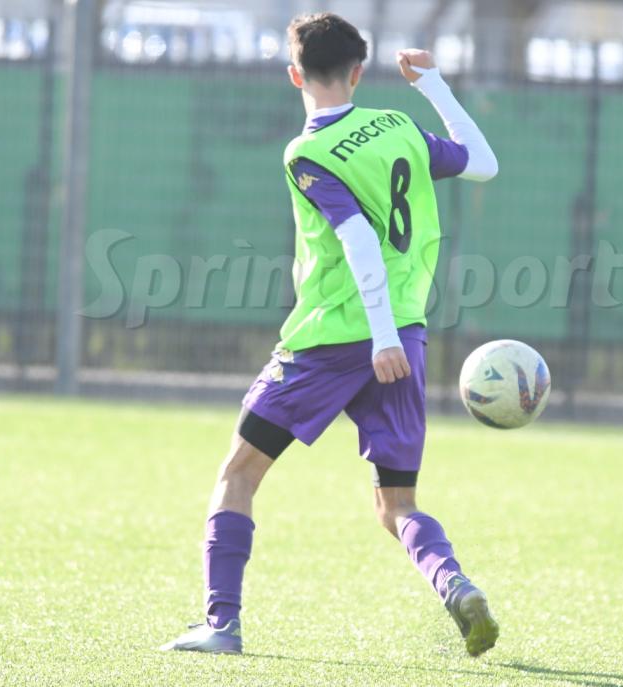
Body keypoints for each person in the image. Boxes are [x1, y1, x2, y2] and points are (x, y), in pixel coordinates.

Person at [161, 12, 499, 657]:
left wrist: (378, 338)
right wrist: (433, 86)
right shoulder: (397, 125)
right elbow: (482, 164)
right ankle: (455, 584)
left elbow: (358, 239)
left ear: (295, 75)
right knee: (397, 505)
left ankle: (222, 625)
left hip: (332, 340)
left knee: (239, 473)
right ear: (358, 72)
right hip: (405, 332)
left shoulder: (306, 152)